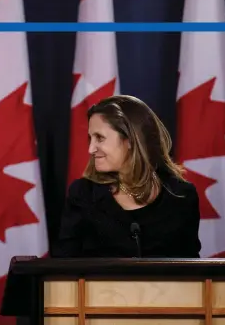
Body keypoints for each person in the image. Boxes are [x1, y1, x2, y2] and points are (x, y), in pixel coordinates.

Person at [53, 95, 201, 258]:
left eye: (99, 138)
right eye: (91, 138)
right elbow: (63, 268)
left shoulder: (181, 196)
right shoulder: (83, 195)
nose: (91, 149)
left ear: (130, 140)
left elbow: (191, 272)